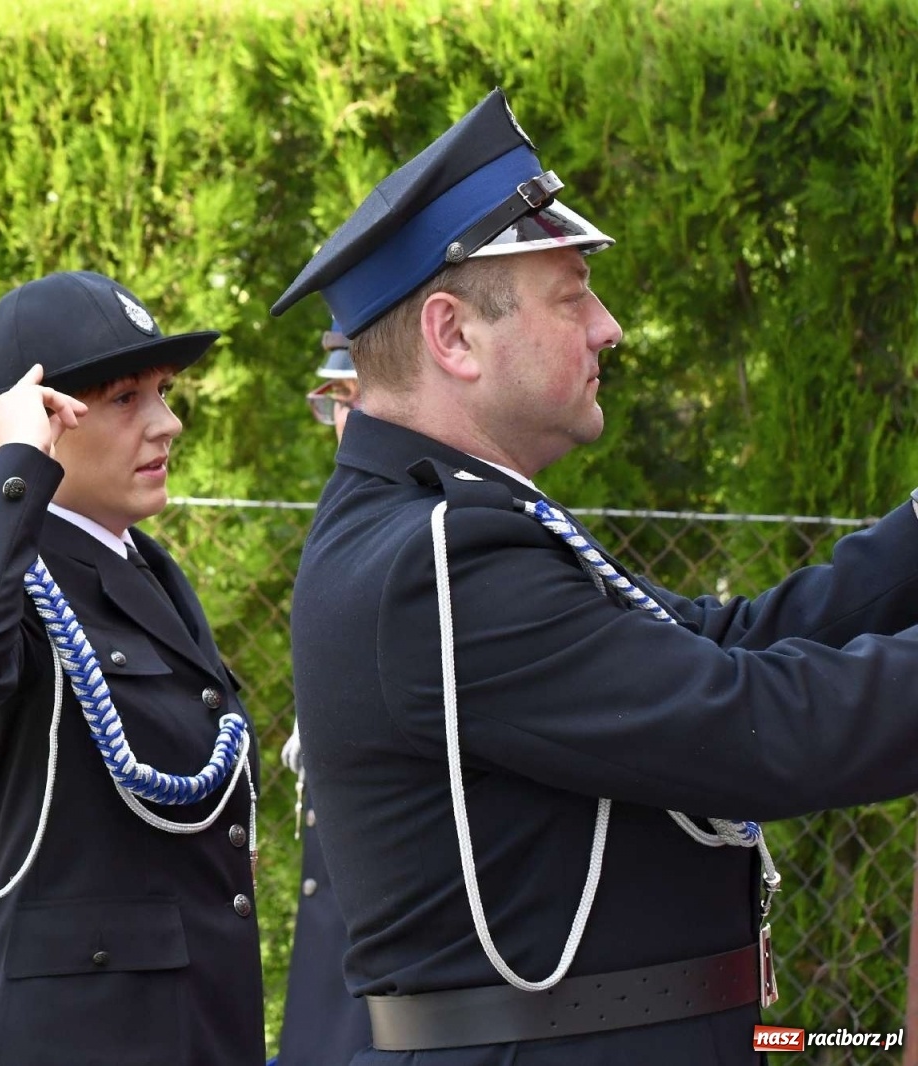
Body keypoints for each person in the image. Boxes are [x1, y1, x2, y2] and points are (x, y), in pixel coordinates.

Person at [269, 88, 918, 1065]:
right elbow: (748, 727)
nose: (608, 327)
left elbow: (721, 646)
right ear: (453, 336)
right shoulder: (435, 566)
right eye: (572, 296)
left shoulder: (449, 525)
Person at [0, 270, 263, 1066]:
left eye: (162, 392)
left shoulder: (145, 570)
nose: (167, 423)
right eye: (126, 398)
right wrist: (16, 463)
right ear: (43, 419)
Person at [273, 325, 371, 1066]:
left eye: (358, 398)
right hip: (338, 930)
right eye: (336, 400)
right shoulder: (351, 515)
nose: (344, 422)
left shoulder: (433, 524)